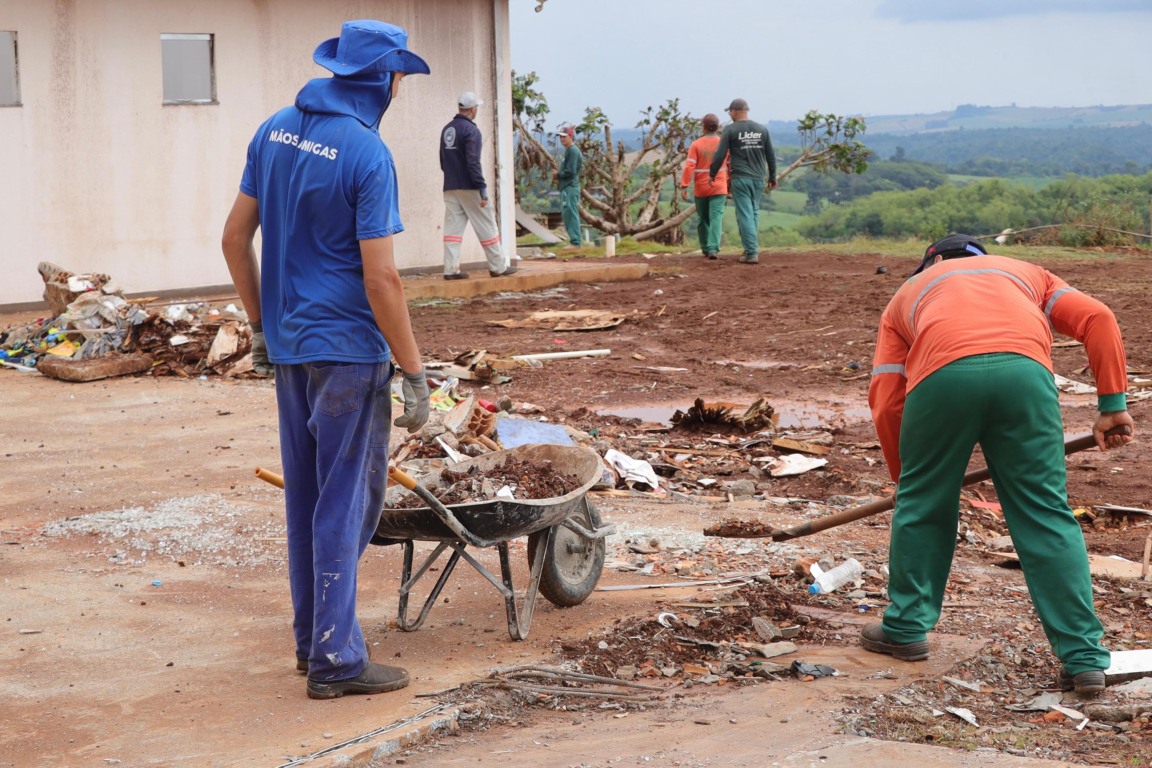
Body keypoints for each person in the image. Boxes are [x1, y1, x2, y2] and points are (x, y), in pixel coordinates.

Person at [220, 20, 433, 700]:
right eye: (399, 76)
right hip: (347, 352)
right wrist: (414, 370)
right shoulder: (367, 152)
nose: (400, 87)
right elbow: (382, 279)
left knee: (308, 498)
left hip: (290, 348)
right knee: (344, 502)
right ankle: (337, 660)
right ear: (385, 79)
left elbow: (233, 238)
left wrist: (260, 327)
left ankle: (312, 641)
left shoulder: (274, 130)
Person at [863, 233, 1135, 695]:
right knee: (1044, 512)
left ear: (930, 263)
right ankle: (1084, 659)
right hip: (1024, 378)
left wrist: (907, 481)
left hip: (942, 380)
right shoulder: (1026, 274)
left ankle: (906, 629)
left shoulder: (908, 293)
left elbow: (888, 399)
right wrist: (1112, 405)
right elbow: (1099, 318)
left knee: (925, 505)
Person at [439, 90, 516, 280]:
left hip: (450, 186)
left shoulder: (447, 129)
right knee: (487, 224)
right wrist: (481, 187)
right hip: (470, 186)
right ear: (473, 109)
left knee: (453, 230)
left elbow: (443, 160)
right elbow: (473, 162)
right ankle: (498, 267)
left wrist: (451, 177)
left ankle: (450, 269)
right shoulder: (471, 130)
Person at [709, 98, 776, 264]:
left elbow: (720, 154)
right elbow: (770, 155)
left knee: (745, 213)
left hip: (741, 178)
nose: (730, 115)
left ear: (734, 111)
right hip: (758, 178)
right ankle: (749, 249)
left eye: (729, 112)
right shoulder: (762, 129)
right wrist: (772, 177)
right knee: (753, 212)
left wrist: (712, 174)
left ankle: (752, 252)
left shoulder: (730, 130)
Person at [680, 113, 729, 260]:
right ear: (718, 127)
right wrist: (730, 184)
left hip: (701, 188)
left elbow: (689, 166)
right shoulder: (723, 143)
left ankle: (705, 248)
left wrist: (684, 186)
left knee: (703, 219)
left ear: (703, 127)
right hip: (719, 186)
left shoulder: (696, 144)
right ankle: (713, 248)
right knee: (716, 218)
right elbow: (730, 164)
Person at [553, 126, 583, 247]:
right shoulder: (569, 150)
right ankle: (574, 241)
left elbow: (571, 171)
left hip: (570, 186)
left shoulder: (573, 151)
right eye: (560, 137)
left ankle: (575, 242)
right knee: (567, 212)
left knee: (571, 212)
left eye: (564, 137)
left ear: (571, 136)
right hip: (567, 187)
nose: (562, 139)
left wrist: (558, 175)